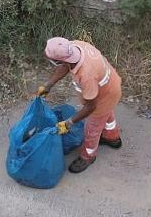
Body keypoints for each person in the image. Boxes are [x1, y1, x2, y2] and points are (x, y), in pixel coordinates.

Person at [37, 37, 122, 173]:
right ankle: (112, 137)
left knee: (91, 130)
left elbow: (91, 107)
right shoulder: (74, 47)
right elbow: (66, 66)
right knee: (106, 113)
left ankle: (88, 156)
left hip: (103, 96)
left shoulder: (87, 75)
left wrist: (69, 122)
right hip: (109, 86)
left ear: (59, 60)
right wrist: (49, 85)